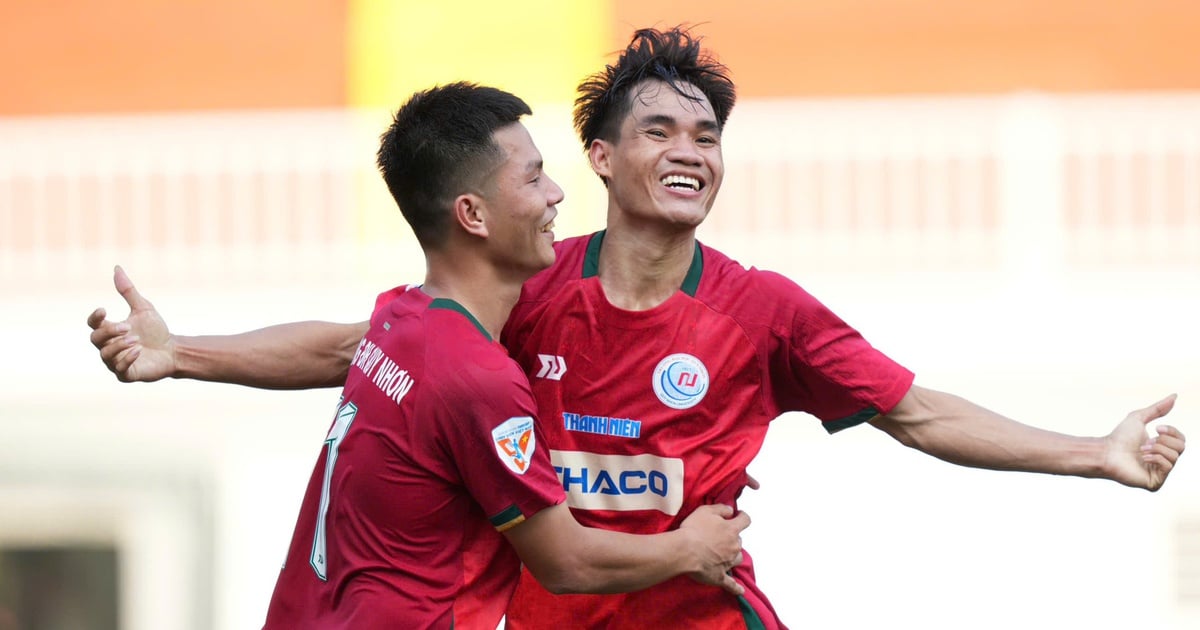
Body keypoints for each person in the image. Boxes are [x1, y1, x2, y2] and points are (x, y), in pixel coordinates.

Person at [89, 27, 1186, 630]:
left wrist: (1093, 452)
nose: (691, 149)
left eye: (707, 134)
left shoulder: (765, 313)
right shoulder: (526, 293)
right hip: (549, 613)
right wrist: (183, 354)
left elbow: (917, 409)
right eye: (659, 127)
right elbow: (357, 350)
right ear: (601, 160)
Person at [157, 81, 751, 629]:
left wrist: (177, 352)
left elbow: (338, 345)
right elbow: (566, 563)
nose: (556, 194)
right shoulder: (479, 379)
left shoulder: (404, 320)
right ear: (472, 214)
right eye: (533, 178)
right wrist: (689, 548)